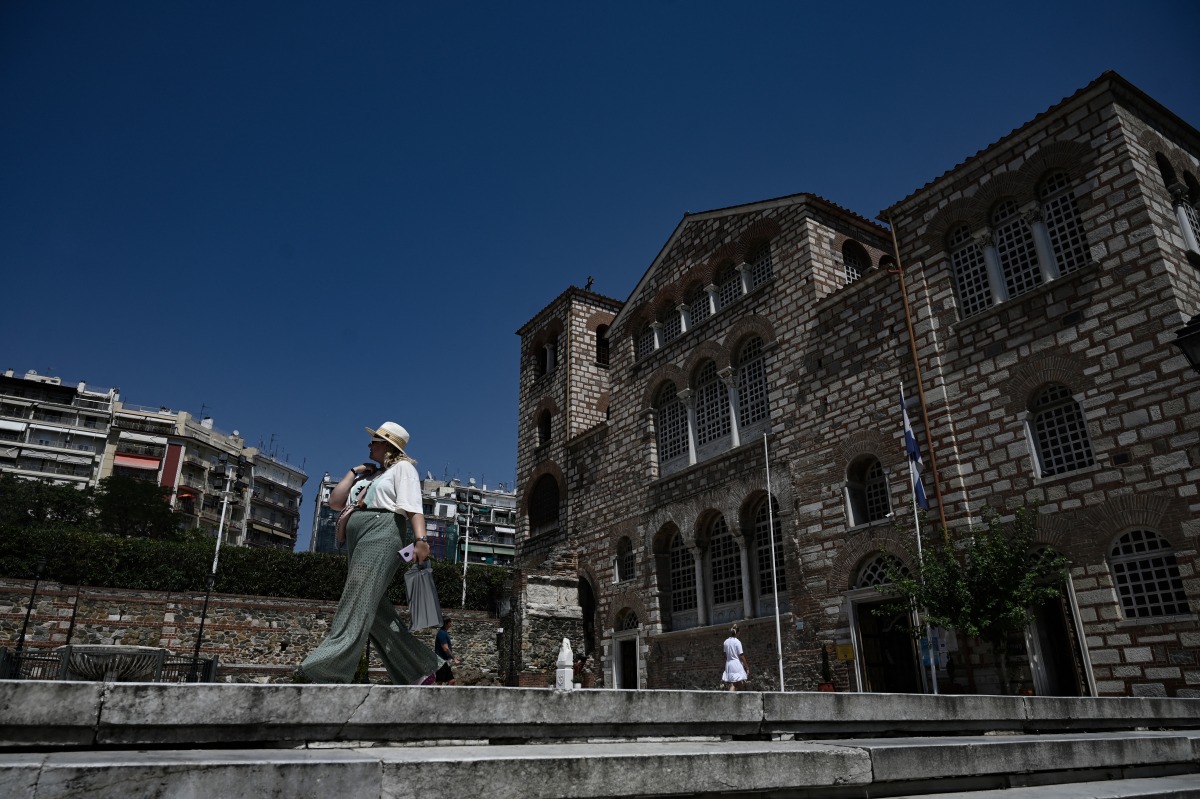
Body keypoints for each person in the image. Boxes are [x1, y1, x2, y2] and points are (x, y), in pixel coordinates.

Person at [294, 422, 439, 684]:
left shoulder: (403, 468)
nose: (369, 444)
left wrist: (421, 539)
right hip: (360, 538)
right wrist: (355, 472)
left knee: (357, 596)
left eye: (374, 441)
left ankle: (327, 668)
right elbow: (335, 502)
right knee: (373, 608)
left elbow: (413, 507)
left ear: (387, 445)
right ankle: (421, 669)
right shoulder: (372, 476)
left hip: (382, 532)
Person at [721, 624, 749, 691]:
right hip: (736, 664)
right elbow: (741, 656)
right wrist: (747, 667)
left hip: (728, 663)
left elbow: (724, 655)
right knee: (734, 683)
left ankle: (744, 696)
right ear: (738, 633)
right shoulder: (737, 642)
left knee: (739, 683)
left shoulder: (725, 642)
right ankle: (729, 698)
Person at [434, 618, 460, 685]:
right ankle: (437, 695)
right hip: (440, 661)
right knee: (439, 681)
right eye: (450, 622)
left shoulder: (444, 633)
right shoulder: (442, 633)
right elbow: (445, 648)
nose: (451, 623)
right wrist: (453, 658)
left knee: (451, 681)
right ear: (446, 623)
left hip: (445, 661)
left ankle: (446, 694)